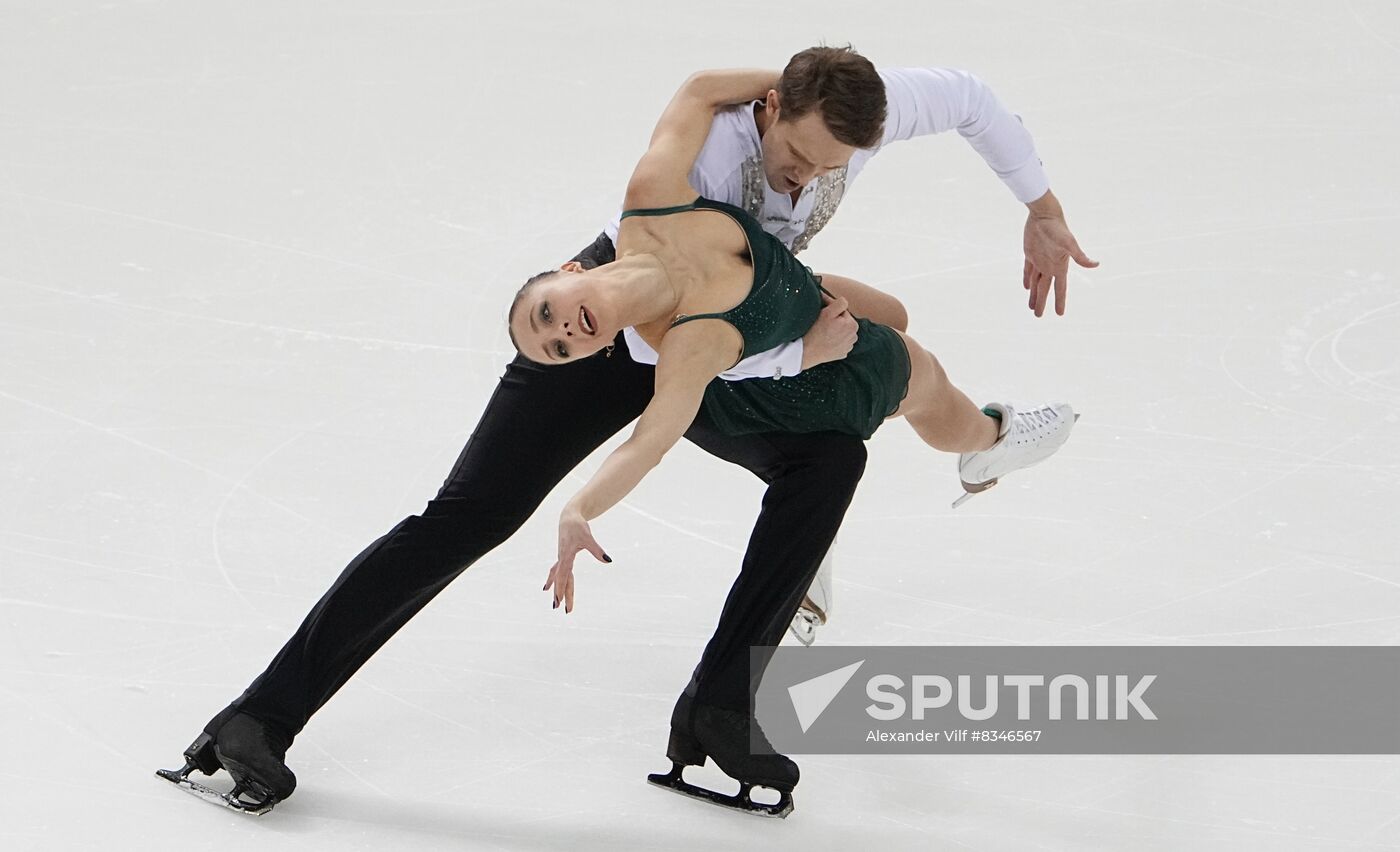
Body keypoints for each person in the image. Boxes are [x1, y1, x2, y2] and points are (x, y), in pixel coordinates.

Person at [156, 45, 1095, 817]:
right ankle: (258, 718)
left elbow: (971, 100)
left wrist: (1042, 208)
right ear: (771, 107)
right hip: (610, 325)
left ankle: (721, 709)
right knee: (468, 517)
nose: (806, 176)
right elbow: (697, 100)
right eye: (796, 154)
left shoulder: (857, 112)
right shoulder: (701, 158)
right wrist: (783, 349)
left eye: (828, 166)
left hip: (721, 342)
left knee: (827, 462)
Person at [506, 67, 1081, 815]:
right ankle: (990, 439)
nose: (564, 332)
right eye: (558, 349)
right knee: (915, 373)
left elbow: (696, 89)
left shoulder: (651, 195)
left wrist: (800, 84)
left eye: (546, 314)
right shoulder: (683, 345)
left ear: (568, 271)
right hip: (801, 364)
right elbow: (648, 441)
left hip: (798, 290)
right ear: (589, 355)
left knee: (894, 312)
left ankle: (819, 551)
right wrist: (579, 508)